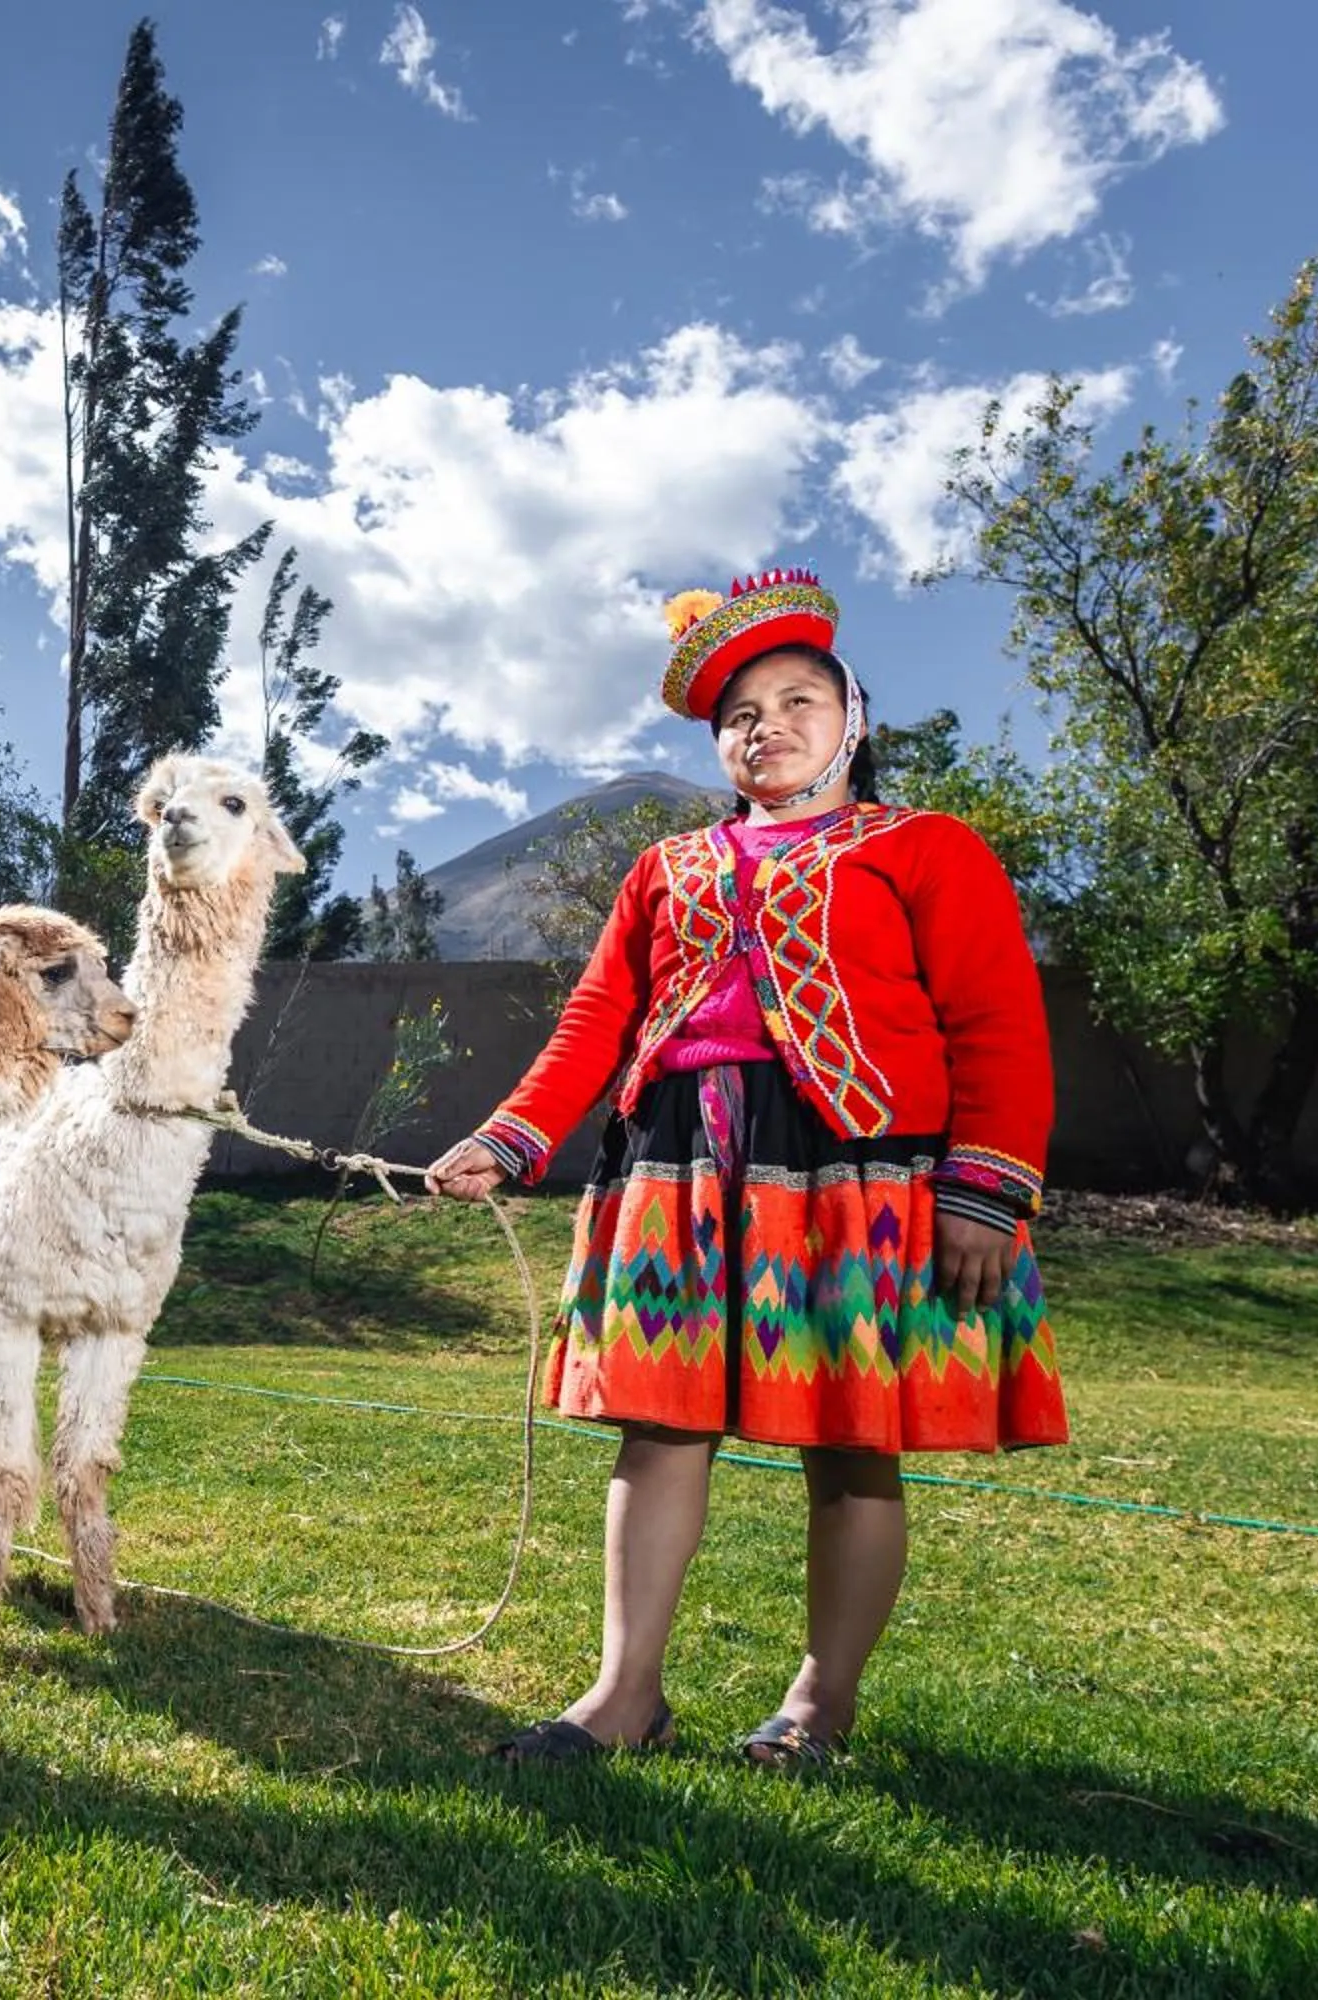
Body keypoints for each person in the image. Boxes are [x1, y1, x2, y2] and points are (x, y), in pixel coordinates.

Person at [427, 567, 1064, 1771]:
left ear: (853, 718)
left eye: (795, 701)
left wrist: (987, 1186)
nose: (765, 726)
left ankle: (821, 1705)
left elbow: (997, 1022)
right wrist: (508, 1135)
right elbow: (595, 1018)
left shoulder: (926, 849)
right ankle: (625, 1695)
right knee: (658, 1428)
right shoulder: (666, 869)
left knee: (852, 1443)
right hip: (678, 1165)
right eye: (741, 715)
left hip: (859, 1173)